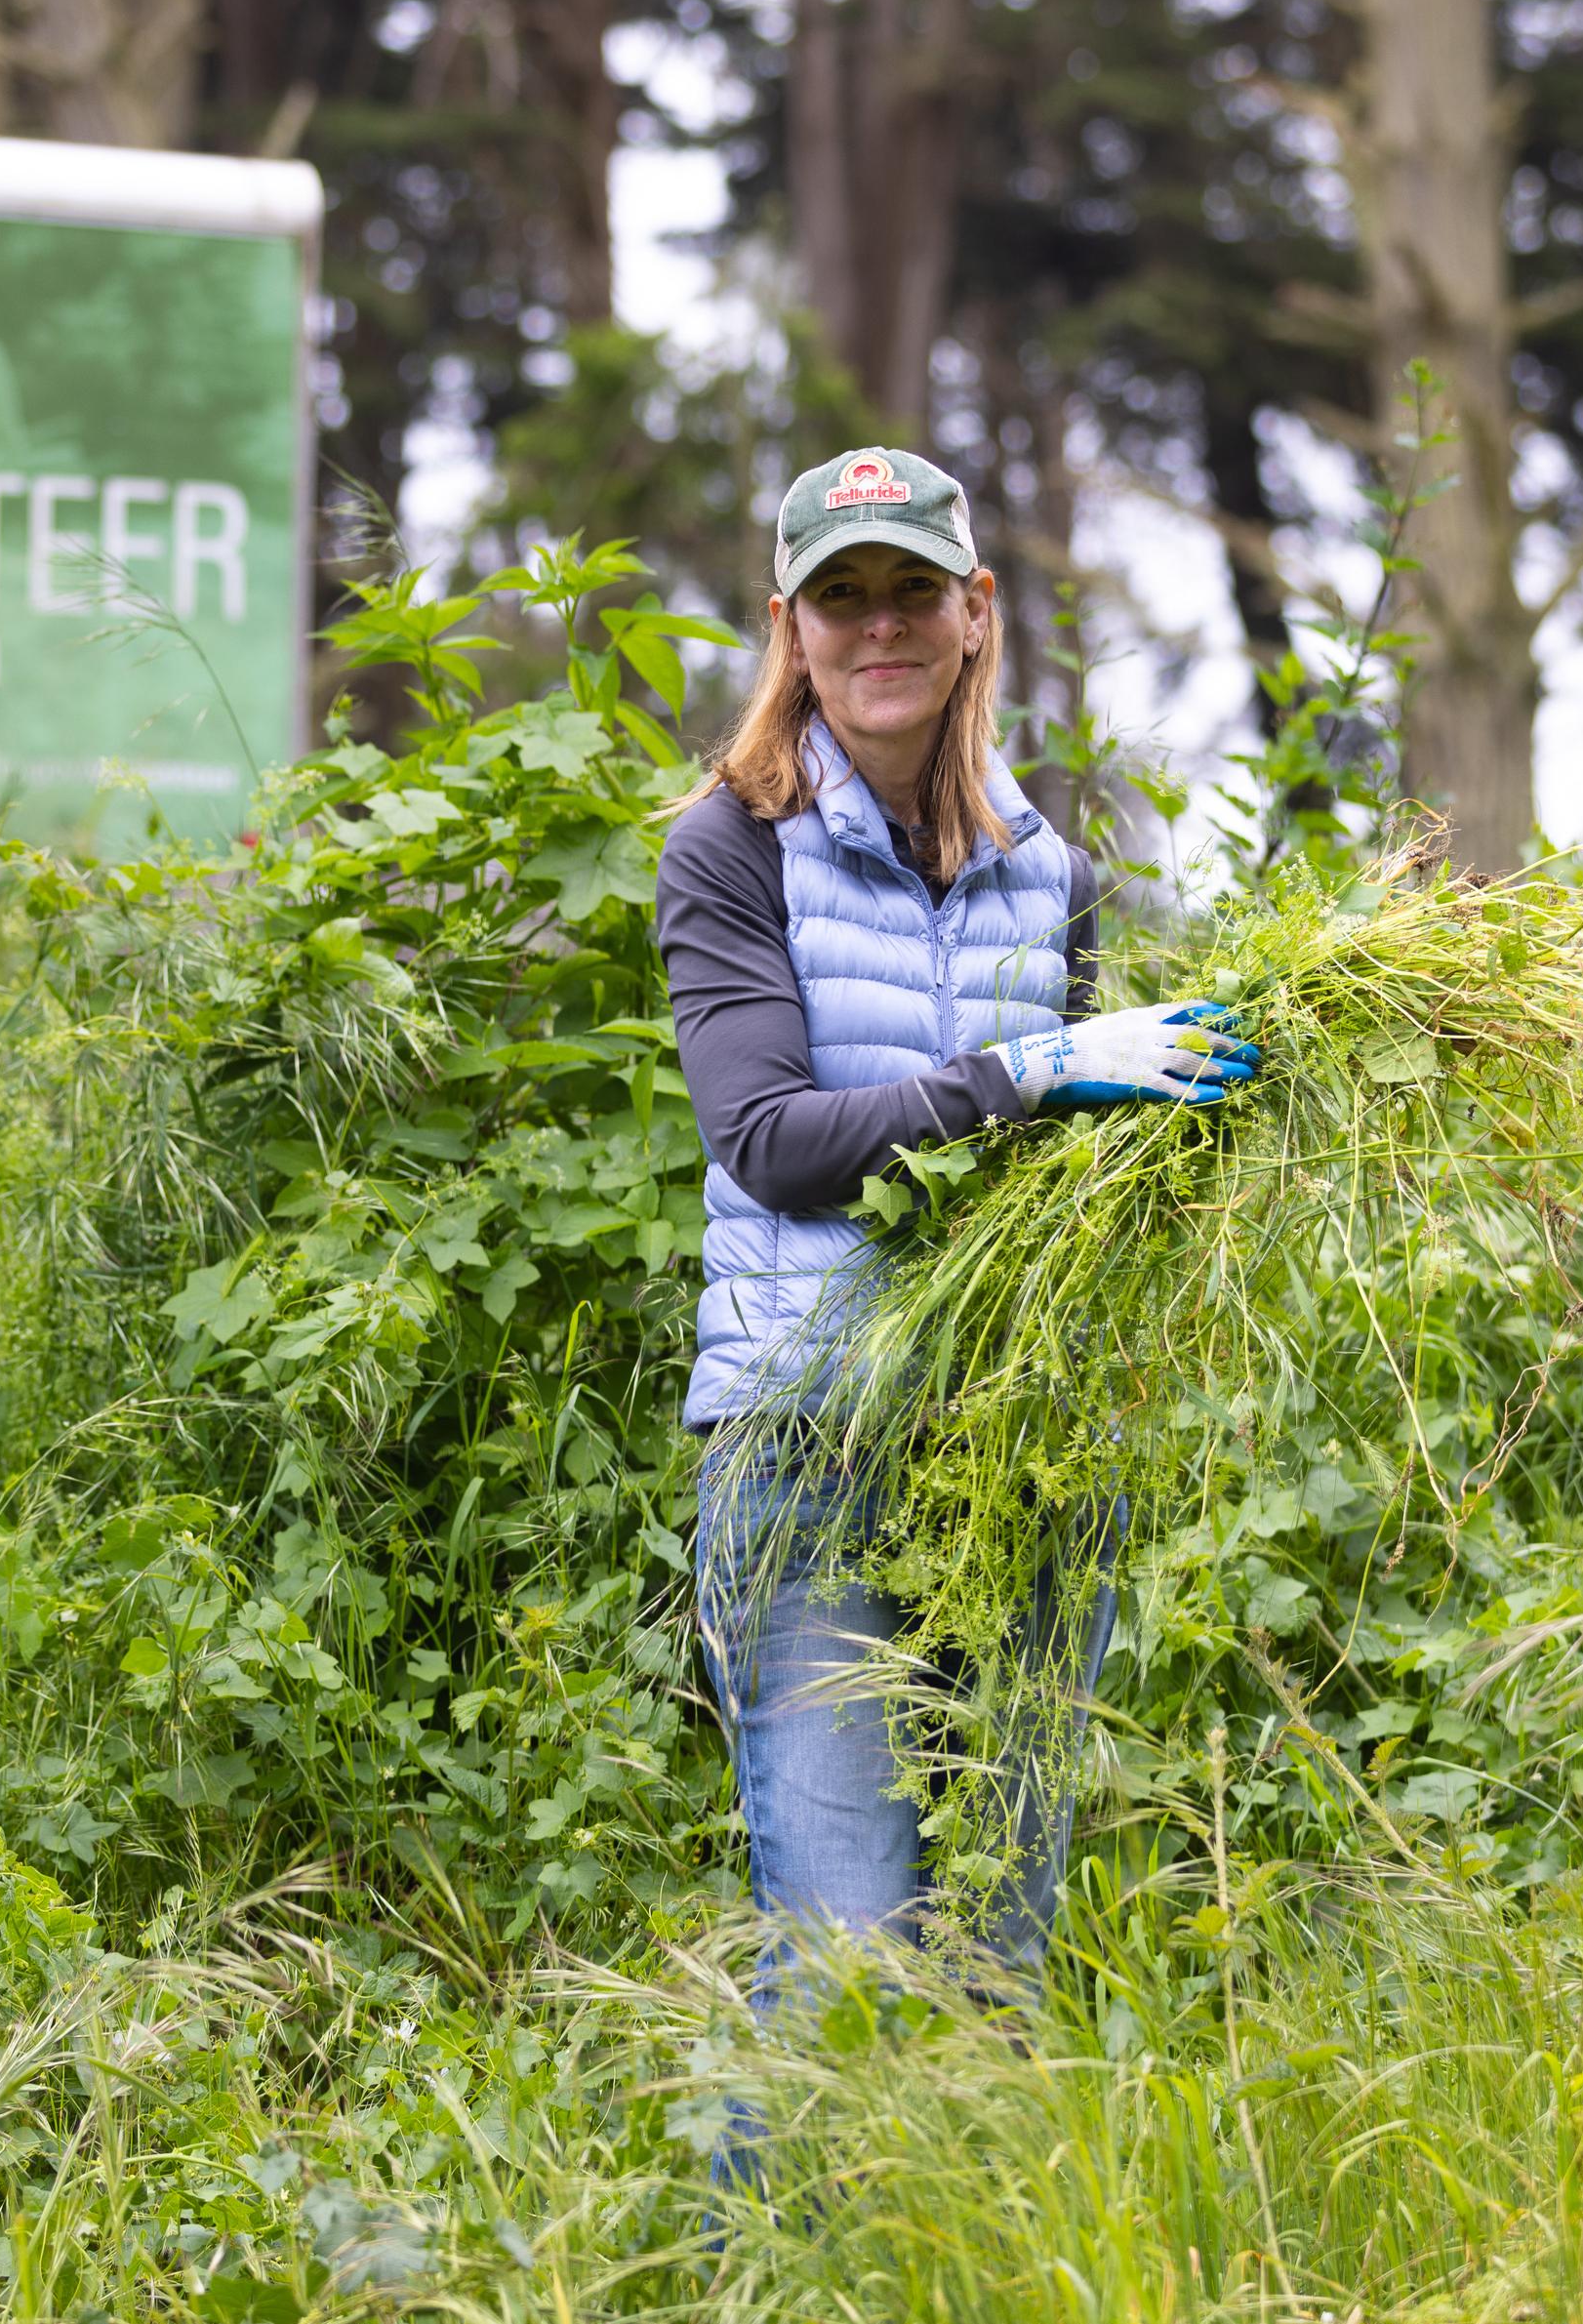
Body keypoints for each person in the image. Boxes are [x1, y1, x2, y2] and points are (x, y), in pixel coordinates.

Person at [653, 444, 1259, 2018]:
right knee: (848, 1952)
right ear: (790, 628)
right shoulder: (730, 847)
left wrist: (1182, 1122)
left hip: (1012, 1457)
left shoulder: (1046, 873)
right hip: (804, 1446)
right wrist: (1038, 1070)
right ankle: (785, 2267)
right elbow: (773, 1142)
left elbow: (1043, 1184)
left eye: (911, 591)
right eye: (838, 599)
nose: (878, 630)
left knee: (1001, 1943)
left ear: (976, 610)